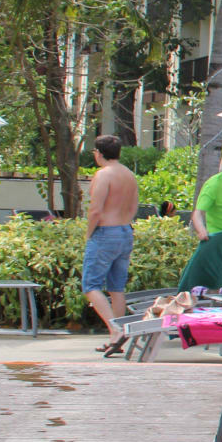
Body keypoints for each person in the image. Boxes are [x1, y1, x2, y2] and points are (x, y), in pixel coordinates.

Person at [83, 135, 139, 354]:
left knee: (91, 286)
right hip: (125, 230)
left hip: (106, 231)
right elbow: (134, 206)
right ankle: (117, 334)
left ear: (99, 153)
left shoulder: (103, 174)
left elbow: (95, 209)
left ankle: (115, 329)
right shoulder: (128, 174)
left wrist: (89, 234)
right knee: (116, 287)